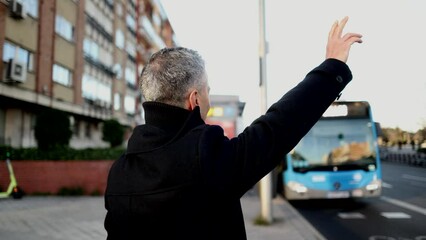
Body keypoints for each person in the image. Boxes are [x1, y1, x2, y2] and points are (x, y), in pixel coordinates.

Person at [104, 16, 363, 240]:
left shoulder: (120, 172)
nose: (209, 95)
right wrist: (332, 67)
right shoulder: (206, 158)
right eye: (207, 90)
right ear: (194, 99)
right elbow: (277, 127)